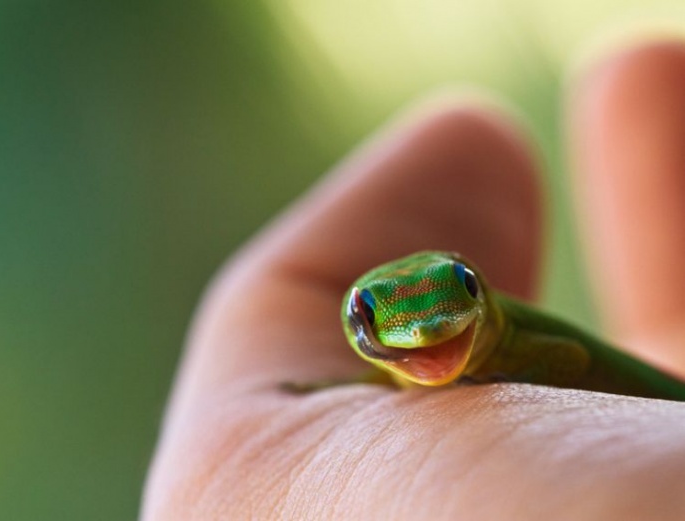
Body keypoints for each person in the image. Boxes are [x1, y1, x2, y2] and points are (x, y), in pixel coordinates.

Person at [142, 41, 685, 519]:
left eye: (462, 288)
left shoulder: (508, 344)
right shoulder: (416, 356)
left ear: (482, 300)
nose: (427, 332)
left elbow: (570, 359)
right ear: (359, 331)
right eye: (374, 319)